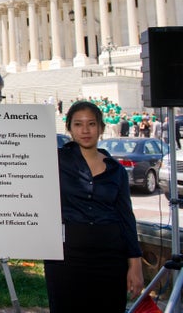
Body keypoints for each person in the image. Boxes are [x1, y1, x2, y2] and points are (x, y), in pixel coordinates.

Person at [44, 101, 143, 313]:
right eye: (78, 124)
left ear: (101, 128)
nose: (85, 130)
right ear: (69, 128)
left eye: (91, 123)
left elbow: (126, 218)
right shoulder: (54, 161)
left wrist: (135, 265)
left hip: (110, 259)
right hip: (66, 258)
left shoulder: (116, 171)